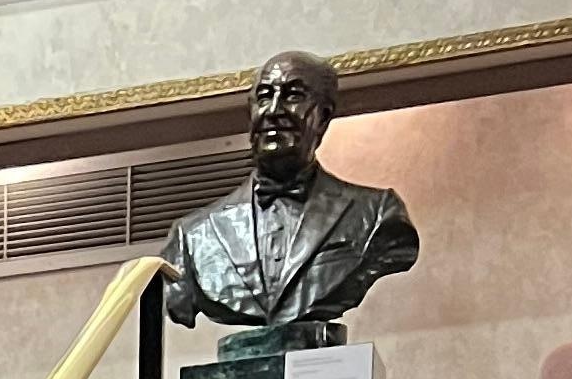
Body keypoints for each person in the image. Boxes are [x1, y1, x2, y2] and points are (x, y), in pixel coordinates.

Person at [162, 48, 422, 355]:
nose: (274, 109)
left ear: (323, 116)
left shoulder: (377, 215)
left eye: (293, 95)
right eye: (264, 96)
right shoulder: (192, 237)